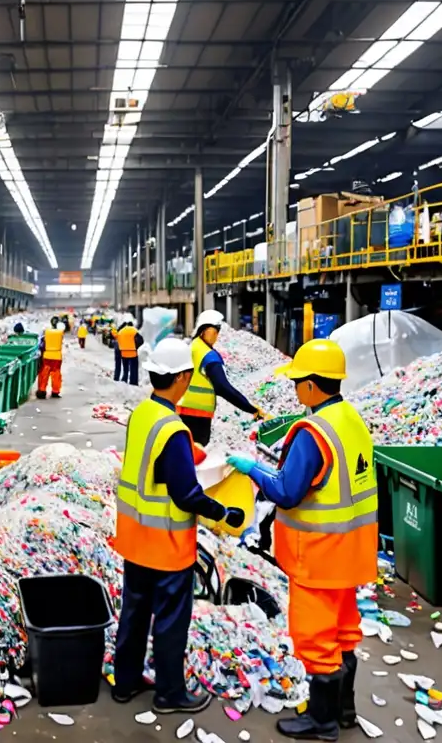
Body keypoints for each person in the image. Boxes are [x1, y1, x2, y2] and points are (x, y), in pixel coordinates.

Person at [226, 340, 377, 741]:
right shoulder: (350, 419)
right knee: (344, 630)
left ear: (312, 385)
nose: (295, 389)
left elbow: (287, 491)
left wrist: (253, 469)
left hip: (318, 558)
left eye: (298, 382)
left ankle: (322, 722)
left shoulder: (313, 432)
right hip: (351, 553)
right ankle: (344, 709)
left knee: (315, 639)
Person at [114, 338, 246, 713]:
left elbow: (149, 468)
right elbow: (186, 494)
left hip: (134, 535)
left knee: (135, 610)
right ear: (183, 378)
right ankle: (170, 693)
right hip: (166, 542)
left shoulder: (141, 414)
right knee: (171, 620)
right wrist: (224, 513)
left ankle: (125, 682)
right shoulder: (173, 429)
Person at [178, 309, 264, 446]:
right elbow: (222, 387)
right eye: (215, 329)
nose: (217, 334)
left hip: (184, 409)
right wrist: (250, 408)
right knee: (196, 454)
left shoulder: (194, 346)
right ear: (204, 329)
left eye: (218, 330)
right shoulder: (208, 355)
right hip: (198, 415)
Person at [36, 317, 65, 399]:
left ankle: (42, 391)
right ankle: (55, 391)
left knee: (44, 374)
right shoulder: (60, 332)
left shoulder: (46, 332)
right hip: (57, 356)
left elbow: (40, 342)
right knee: (56, 374)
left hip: (47, 355)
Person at [116, 314, 144, 385]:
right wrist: (135, 346)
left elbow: (118, 341)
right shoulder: (133, 330)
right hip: (132, 352)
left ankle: (124, 380)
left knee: (125, 368)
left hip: (124, 353)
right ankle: (133, 382)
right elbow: (141, 340)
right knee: (133, 368)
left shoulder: (121, 331)